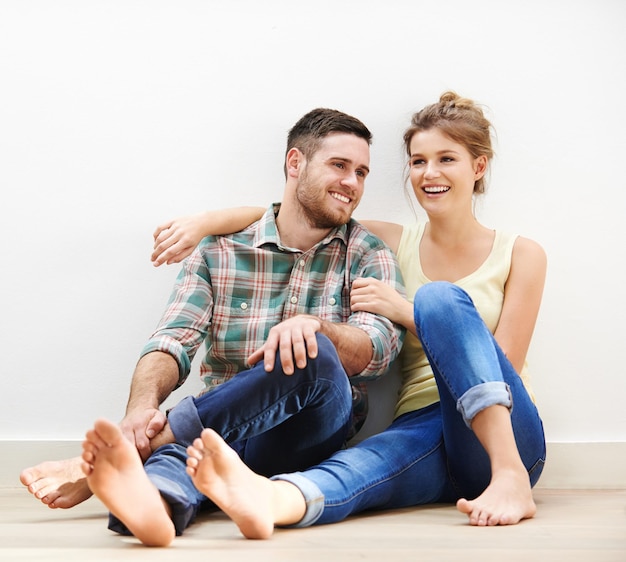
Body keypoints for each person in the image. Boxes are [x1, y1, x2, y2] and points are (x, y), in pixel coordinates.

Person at [150, 91, 547, 536]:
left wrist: (406, 309)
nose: (429, 173)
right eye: (418, 161)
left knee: (439, 298)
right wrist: (206, 221)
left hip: (508, 434)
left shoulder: (521, 253)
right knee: (358, 469)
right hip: (420, 424)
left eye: (446, 159)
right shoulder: (394, 241)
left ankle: (511, 478)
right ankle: (266, 501)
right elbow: (299, 211)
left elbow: (503, 363)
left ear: (478, 167)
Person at [22, 107, 406, 546]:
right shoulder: (219, 252)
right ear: (295, 163)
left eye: (361, 172)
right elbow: (172, 341)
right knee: (179, 454)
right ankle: (154, 508)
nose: (353, 183)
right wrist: (139, 412)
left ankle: (130, 453)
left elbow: (378, 349)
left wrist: (318, 328)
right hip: (216, 426)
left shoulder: (367, 253)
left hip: (309, 431)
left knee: (312, 348)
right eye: (339, 166)